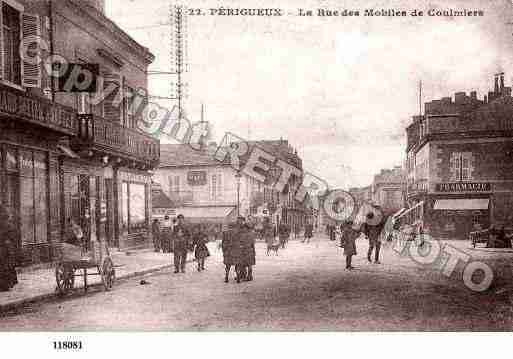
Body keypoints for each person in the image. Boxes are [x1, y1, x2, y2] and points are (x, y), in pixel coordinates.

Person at [0, 206, 18, 291]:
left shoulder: (6, 224)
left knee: (5, 266)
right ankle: (6, 285)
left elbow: (12, 236)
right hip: (6, 248)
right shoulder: (8, 224)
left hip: (5, 248)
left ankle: (5, 285)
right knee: (6, 266)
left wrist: (7, 241)